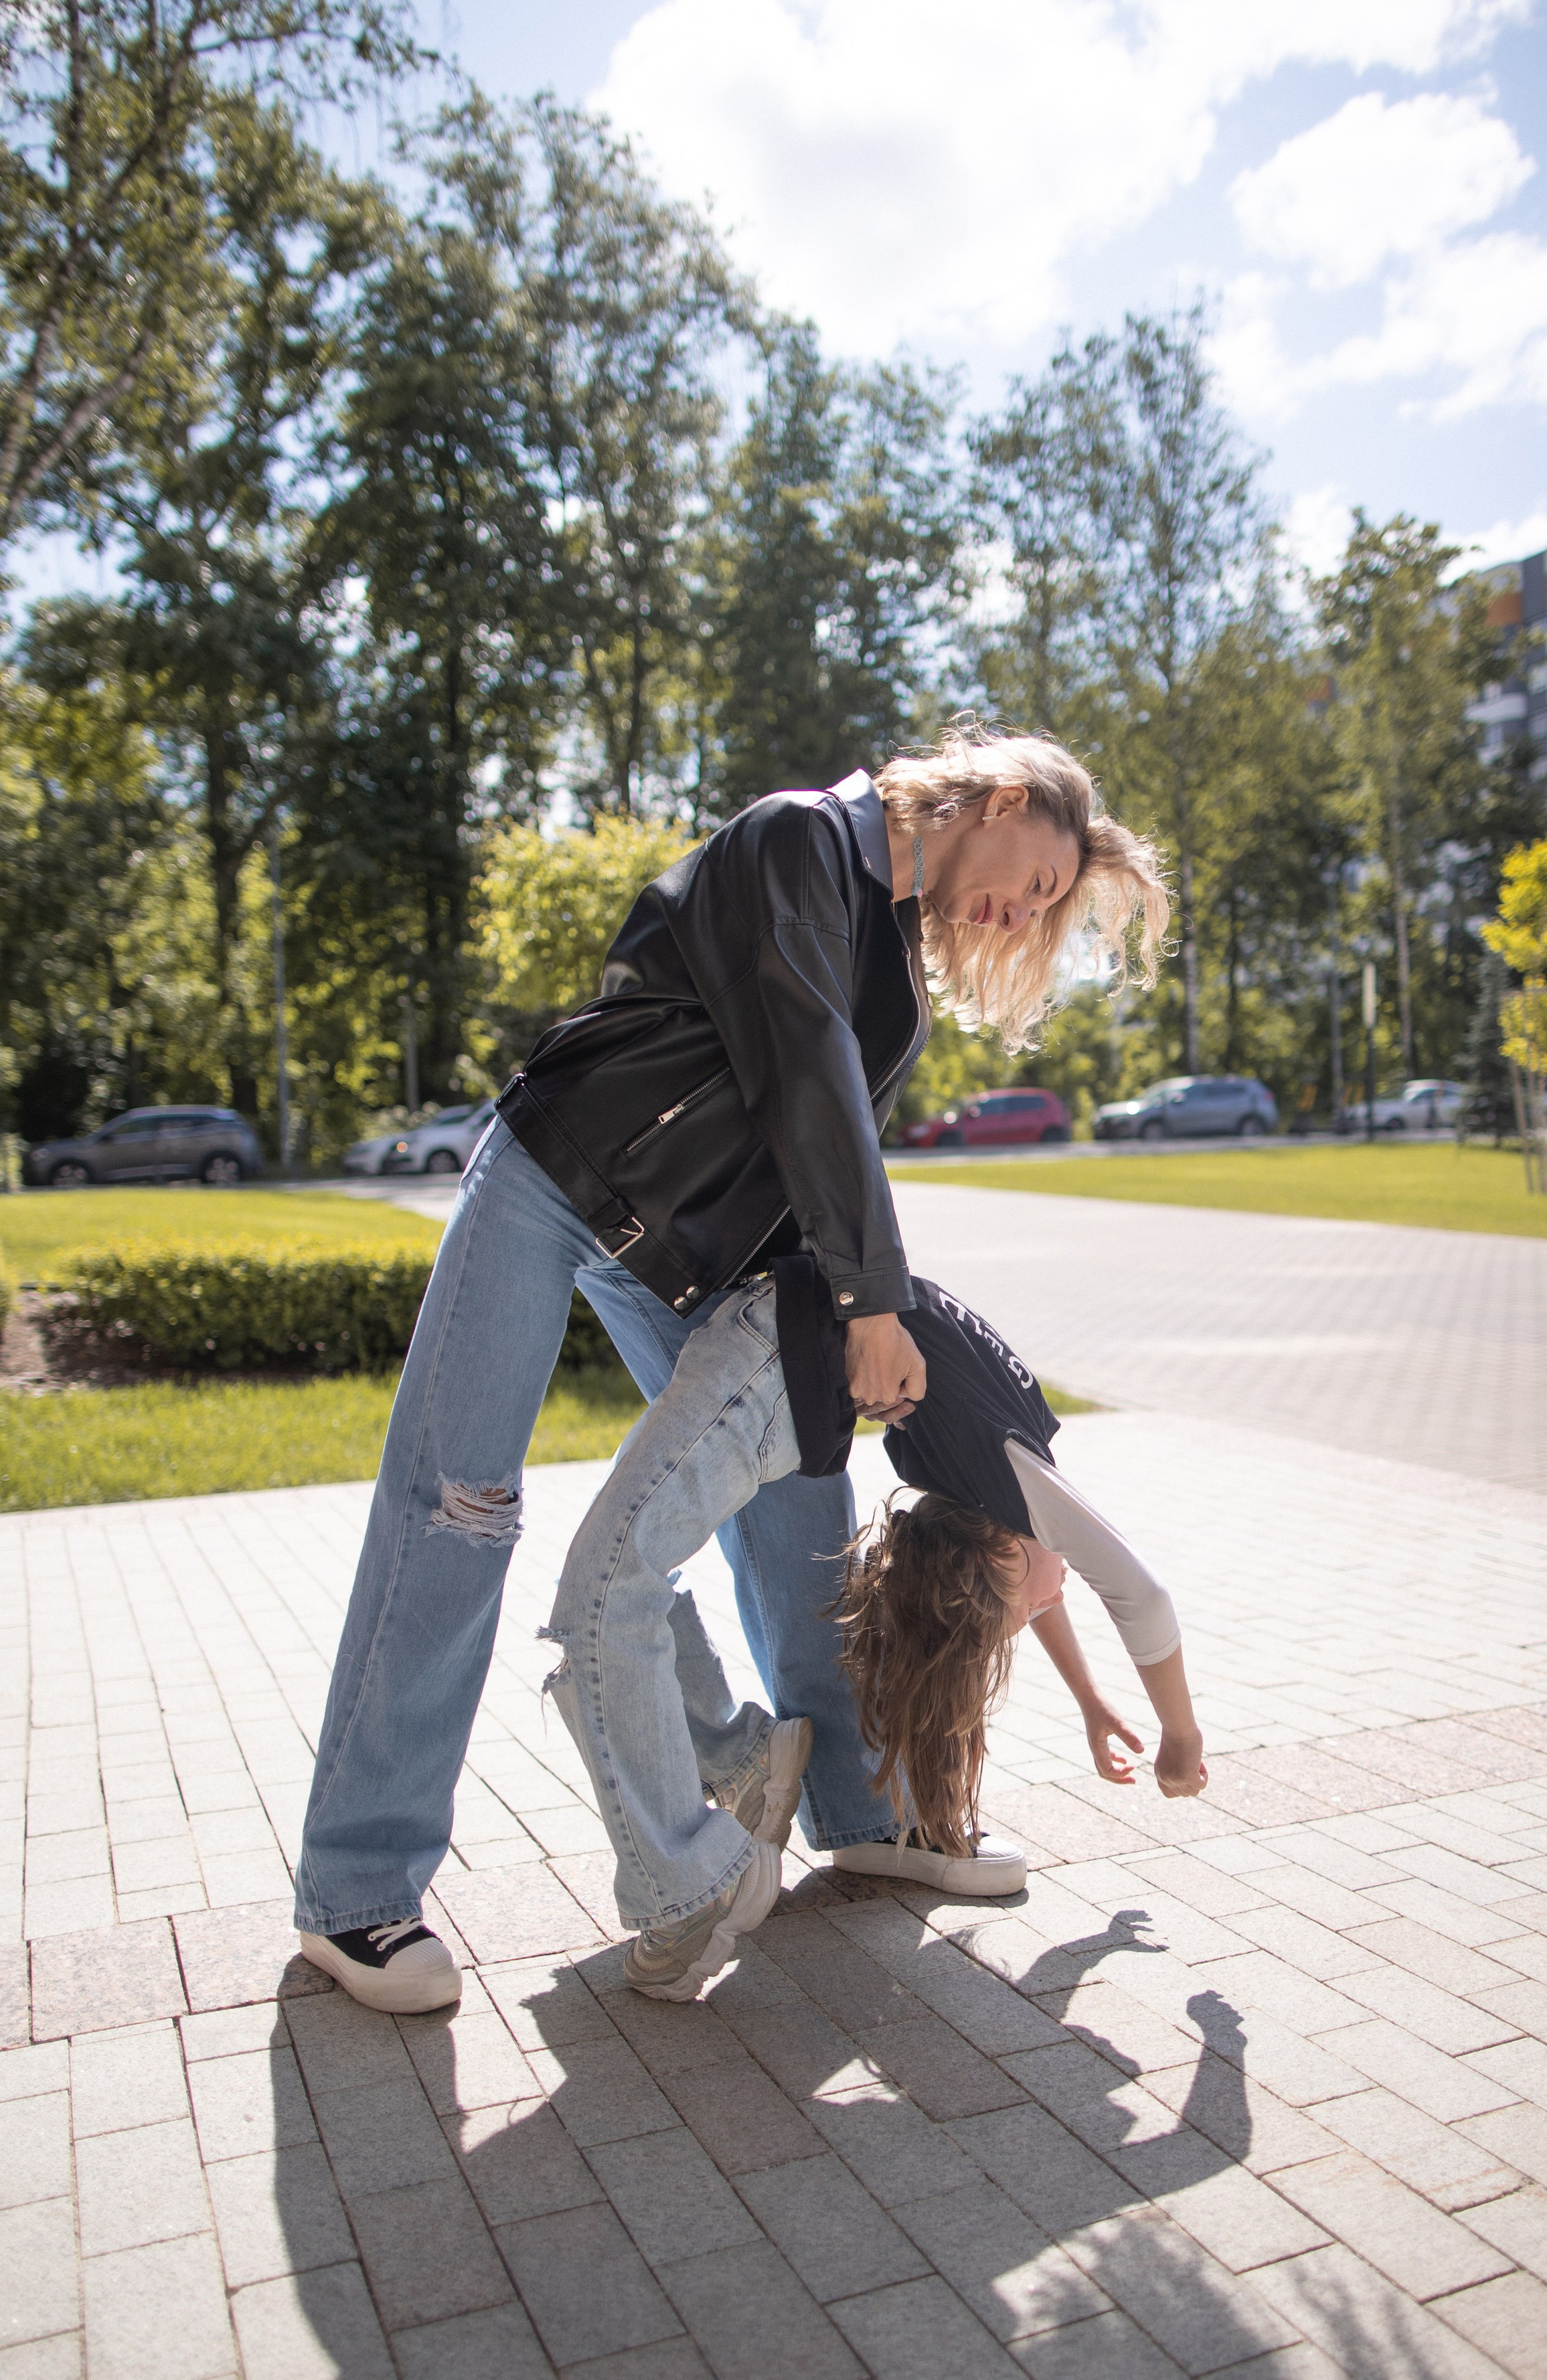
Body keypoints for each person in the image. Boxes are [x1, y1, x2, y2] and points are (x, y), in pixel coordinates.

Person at [294, 724, 1169, 2012]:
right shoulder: (800, 839)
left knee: (802, 1499)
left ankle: (858, 1811)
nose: (1024, 913)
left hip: (694, 1260)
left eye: (1047, 910)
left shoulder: (896, 960)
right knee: (458, 1510)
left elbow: (820, 1140)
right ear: (996, 797)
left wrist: (828, 1336)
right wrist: (871, 1300)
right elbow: (803, 1063)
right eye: (1037, 881)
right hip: (555, 1177)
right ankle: (356, 1893)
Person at [544, 1257, 1204, 2002]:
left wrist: (1091, 1701)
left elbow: (1052, 1584)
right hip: (779, 1337)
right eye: (1017, 1618)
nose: (1037, 1612)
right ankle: (755, 1789)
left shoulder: (1004, 1498)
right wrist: (1181, 1738)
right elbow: (1143, 1599)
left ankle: (776, 1779)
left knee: (630, 1563)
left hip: (796, 1325)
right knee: (622, 1574)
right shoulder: (1001, 1489)